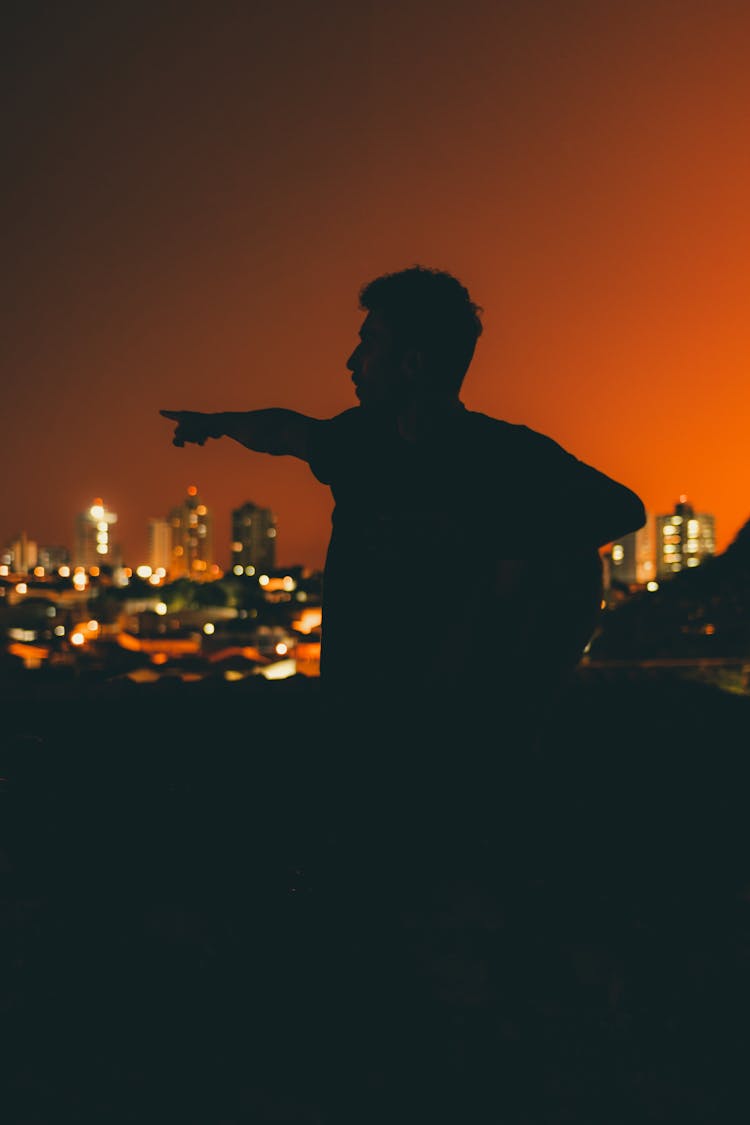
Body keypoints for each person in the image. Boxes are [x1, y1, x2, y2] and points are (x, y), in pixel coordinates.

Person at [160, 265, 645, 739]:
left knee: (576, 563)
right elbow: (283, 430)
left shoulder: (503, 455)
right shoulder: (361, 441)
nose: (352, 361)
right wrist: (217, 423)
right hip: (359, 712)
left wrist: (475, 539)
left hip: (461, 719)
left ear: (411, 363)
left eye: (369, 341)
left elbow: (622, 509)